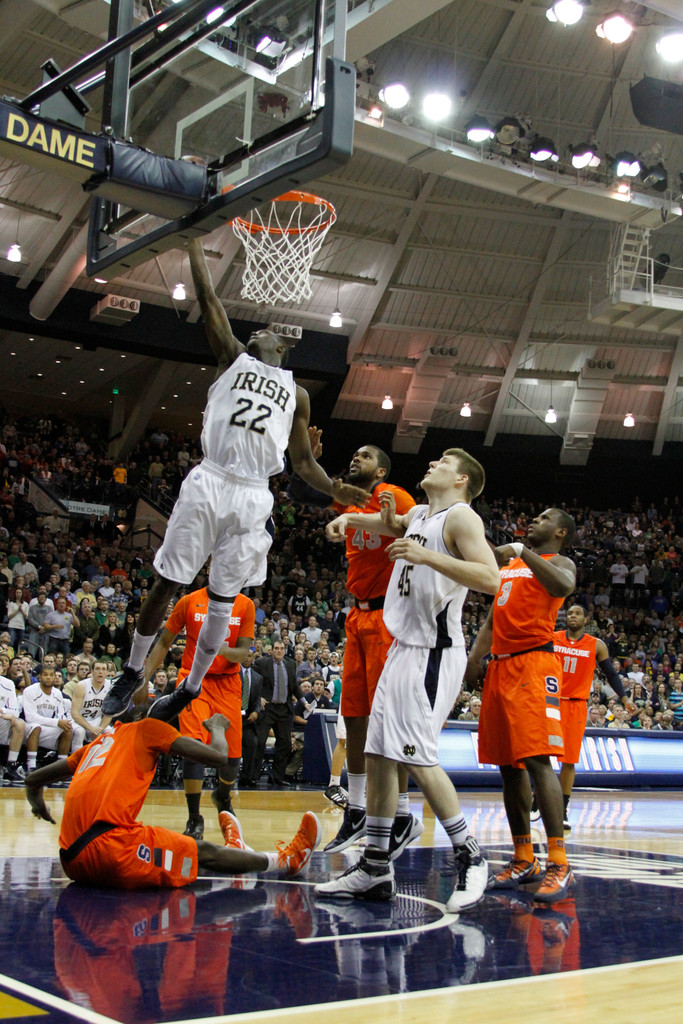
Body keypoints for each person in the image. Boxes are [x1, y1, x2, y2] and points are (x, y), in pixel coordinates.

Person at [103, 239, 367, 721]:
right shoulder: (233, 357)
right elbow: (208, 302)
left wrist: (335, 489)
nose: (272, 334)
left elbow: (304, 463)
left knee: (226, 597)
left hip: (253, 494)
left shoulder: (298, 395)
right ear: (252, 345)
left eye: (277, 335)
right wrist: (196, 247)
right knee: (167, 583)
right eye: (264, 332)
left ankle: (191, 686)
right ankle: (132, 670)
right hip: (212, 478)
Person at [316, 449, 500, 910]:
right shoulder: (421, 512)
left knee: (415, 755)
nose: (432, 464)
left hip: (434, 652)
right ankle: (377, 867)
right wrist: (353, 523)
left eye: (442, 462)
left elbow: (491, 578)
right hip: (402, 646)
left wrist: (426, 558)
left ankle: (471, 856)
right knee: (377, 753)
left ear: (461, 480)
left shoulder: (461, 519)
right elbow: (394, 526)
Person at [290, 434, 417, 857]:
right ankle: (357, 810)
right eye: (354, 453)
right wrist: (306, 457)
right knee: (356, 715)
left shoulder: (391, 494)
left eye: (364, 454)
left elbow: (414, 527)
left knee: (386, 717)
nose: (355, 458)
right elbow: (301, 491)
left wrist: (351, 522)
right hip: (357, 615)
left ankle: (400, 813)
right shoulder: (348, 498)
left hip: (387, 615)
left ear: (380, 470)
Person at [25, 709, 321, 888]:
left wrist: (36, 797)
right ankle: (285, 861)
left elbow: (34, 778)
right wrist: (217, 728)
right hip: (110, 853)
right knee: (202, 851)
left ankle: (237, 852)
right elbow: (218, 757)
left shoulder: (99, 742)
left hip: (71, 858)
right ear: (141, 715)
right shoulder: (147, 728)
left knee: (180, 852)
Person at [466, 507, 577, 904]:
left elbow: (563, 587)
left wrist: (522, 552)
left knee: (537, 760)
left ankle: (559, 862)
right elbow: (493, 619)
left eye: (545, 519)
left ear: (561, 532)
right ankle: (523, 857)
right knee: (508, 766)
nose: (535, 521)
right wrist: (473, 658)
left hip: (534, 663)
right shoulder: (510, 566)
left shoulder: (558, 561)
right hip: (501, 667)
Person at [143, 587, 255, 839]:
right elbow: (163, 642)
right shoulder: (189, 601)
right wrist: (144, 677)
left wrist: (216, 649)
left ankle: (222, 796)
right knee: (192, 745)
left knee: (231, 756)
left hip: (228, 683)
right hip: (194, 680)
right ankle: (194, 818)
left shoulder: (245, 604)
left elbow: (242, 652)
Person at [541, 605, 636, 830]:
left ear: (586, 619)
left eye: (577, 613)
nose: (572, 616)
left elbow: (611, 674)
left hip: (576, 705)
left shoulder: (596, 645)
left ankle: (561, 810)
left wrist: (624, 699)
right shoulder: (552, 638)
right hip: (550, 701)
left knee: (569, 760)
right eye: (570, 613)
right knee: (540, 754)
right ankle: (540, 797)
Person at [252, 639, 300, 786]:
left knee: (284, 744)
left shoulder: (291, 664)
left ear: (285, 650)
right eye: (276, 648)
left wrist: (303, 701)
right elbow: (254, 681)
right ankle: (252, 776)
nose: (279, 651)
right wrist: (258, 697)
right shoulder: (262, 663)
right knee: (259, 742)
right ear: (271, 650)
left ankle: (278, 777)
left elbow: (294, 686)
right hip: (268, 707)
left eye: (282, 648)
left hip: (284, 708)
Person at [22, 665, 85, 772]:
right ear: (40, 677)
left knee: (67, 729)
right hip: (28, 728)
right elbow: (30, 717)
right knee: (36, 726)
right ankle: (31, 766)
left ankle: (61, 767)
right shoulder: (30, 691)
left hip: (48, 728)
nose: (48, 677)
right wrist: (56, 722)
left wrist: (63, 722)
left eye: (51, 675)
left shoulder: (57, 693)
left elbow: (60, 716)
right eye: (45, 675)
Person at [69, 660, 113, 742]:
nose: (100, 672)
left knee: (110, 734)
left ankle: (103, 755)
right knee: (79, 732)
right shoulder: (82, 686)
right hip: (79, 721)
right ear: (92, 671)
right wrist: (90, 728)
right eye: (97, 669)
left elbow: (109, 714)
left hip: (97, 720)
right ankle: (75, 754)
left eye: (103, 669)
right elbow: (75, 713)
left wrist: (100, 728)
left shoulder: (111, 687)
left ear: (107, 672)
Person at [0, 670, 26, 782]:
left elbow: (15, 711)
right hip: (3, 717)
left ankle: (10, 766)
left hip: (3, 720)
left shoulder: (8, 683)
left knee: (20, 724)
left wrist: (3, 712)